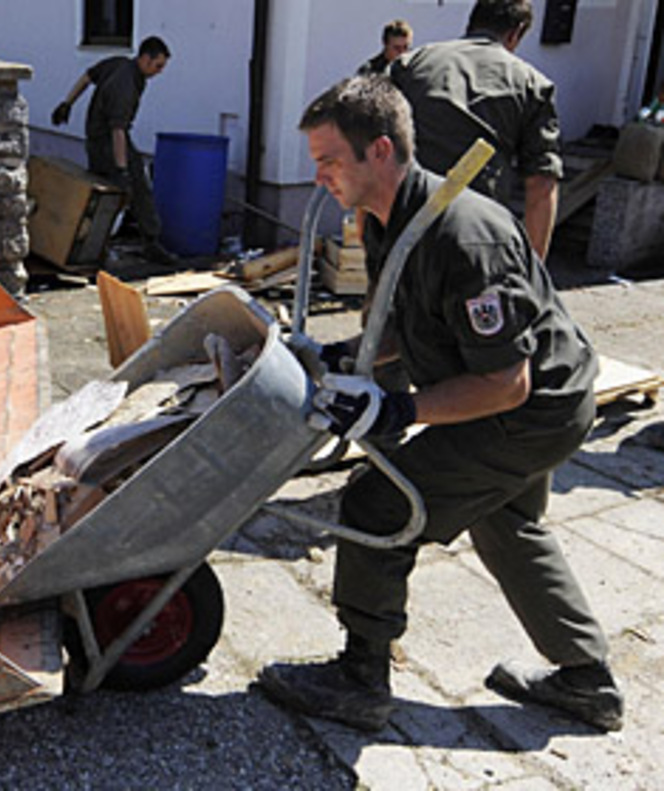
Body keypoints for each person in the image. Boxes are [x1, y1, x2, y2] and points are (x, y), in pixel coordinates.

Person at [254, 75, 623, 735]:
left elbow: (506, 383)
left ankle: (361, 679)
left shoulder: (464, 236)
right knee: (507, 523)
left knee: (381, 501)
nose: (318, 177)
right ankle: (586, 680)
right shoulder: (388, 222)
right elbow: (409, 322)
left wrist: (397, 411)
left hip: (532, 409)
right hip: (522, 395)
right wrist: (339, 356)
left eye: (329, 160)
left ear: (381, 151)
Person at [388, 0, 562, 261]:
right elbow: (541, 185)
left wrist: (372, 252)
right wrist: (532, 272)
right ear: (516, 33)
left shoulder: (410, 64)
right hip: (476, 242)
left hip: (405, 233)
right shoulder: (533, 85)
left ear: (472, 22)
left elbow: (373, 150)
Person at [51, 36, 177, 264]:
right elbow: (118, 130)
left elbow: (87, 77)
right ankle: (149, 243)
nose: (159, 72)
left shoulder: (119, 63)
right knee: (135, 186)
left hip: (95, 138)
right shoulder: (126, 86)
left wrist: (67, 103)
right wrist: (122, 169)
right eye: (158, 66)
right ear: (145, 58)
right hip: (107, 142)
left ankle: (88, 244)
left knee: (102, 190)